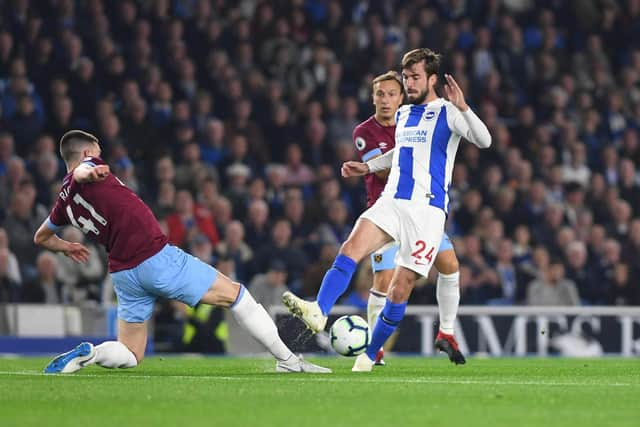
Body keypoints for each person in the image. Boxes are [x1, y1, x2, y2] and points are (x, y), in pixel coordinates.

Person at [35, 130, 329, 374]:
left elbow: (42, 237)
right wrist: (91, 170)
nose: (101, 158)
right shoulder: (87, 170)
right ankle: (289, 361)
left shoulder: (63, 203)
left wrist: (65, 246)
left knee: (131, 352)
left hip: (123, 272)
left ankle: (92, 353)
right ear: (87, 153)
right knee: (238, 295)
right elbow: (83, 173)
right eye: (97, 152)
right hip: (155, 258)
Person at [282, 48, 491, 372]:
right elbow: (399, 152)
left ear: (432, 79)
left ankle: (369, 355)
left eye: (415, 77)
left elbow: (485, 140)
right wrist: (367, 168)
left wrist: (464, 108)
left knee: (401, 285)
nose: (409, 83)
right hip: (392, 200)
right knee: (351, 247)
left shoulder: (449, 112)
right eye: (406, 77)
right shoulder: (405, 114)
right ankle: (319, 310)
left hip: (427, 212)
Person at [348, 70, 464, 366]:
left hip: (422, 212)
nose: (386, 101)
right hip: (388, 210)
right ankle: (376, 349)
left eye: (391, 95)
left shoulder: (410, 120)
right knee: (385, 279)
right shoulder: (366, 132)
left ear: (401, 99)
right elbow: (385, 170)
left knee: (450, 264)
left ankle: (447, 332)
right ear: (373, 98)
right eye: (380, 95)